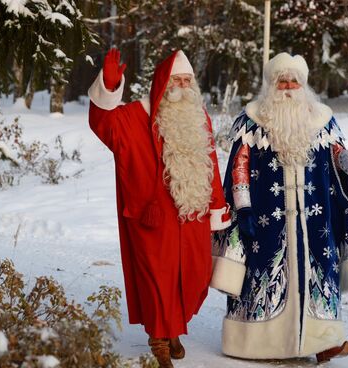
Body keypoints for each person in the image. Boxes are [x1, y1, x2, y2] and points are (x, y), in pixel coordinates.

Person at [210, 52, 348, 363]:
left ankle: (324, 342)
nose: (288, 86)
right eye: (282, 80)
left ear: (303, 85)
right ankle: (258, 344)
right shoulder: (252, 119)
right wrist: (243, 208)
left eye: (294, 81)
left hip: (314, 220)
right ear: (271, 84)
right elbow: (239, 166)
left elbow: (340, 165)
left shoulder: (322, 120)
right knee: (266, 277)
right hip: (267, 218)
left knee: (317, 278)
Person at [88, 48, 231, 367]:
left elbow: (211, 161)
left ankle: (173, 328)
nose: (181, 86)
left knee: (193, 276)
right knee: (159, 276)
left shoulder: (199, 117)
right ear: (163, 83)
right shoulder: (137, 114)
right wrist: (109, 88)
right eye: (175, 80)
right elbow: (105, 124)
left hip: (192, 213)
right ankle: (159, 338)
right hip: (154, 215)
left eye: (186, 80)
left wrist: (216, 206)